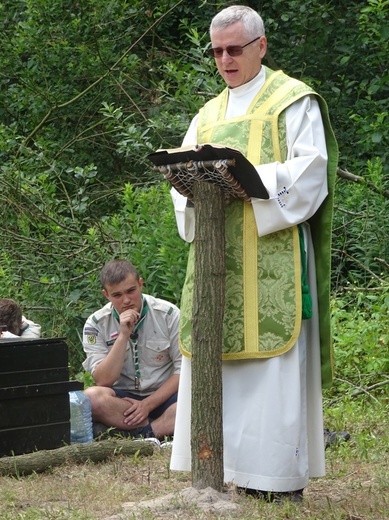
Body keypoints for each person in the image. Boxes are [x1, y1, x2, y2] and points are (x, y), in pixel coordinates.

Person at [169, 5, 338, 502]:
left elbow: (311, 173)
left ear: (260, 46)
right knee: (217, 361)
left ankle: (276, 482)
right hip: (217, 256)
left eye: (234, 49)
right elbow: (181, 182)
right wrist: (183, 183)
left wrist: (249, 182)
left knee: (272, 370)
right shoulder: (208, 114)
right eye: (217, 51)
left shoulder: (292, 100)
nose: (225, 59)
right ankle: (224, 470)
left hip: (273, 253)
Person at [82, 259, 181, 440]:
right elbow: (103, 380)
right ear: (106, 295)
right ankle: (161, 427)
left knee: (194, 402)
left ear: (140, 284)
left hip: (165, 395)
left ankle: (143, 433)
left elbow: (183, 372)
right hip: (124, 401)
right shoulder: (95, 324)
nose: (126, 300)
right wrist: (123, 336)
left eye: (131, 291)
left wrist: (147, 405)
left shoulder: (168, 314)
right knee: (91, 398)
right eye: (117, 295)